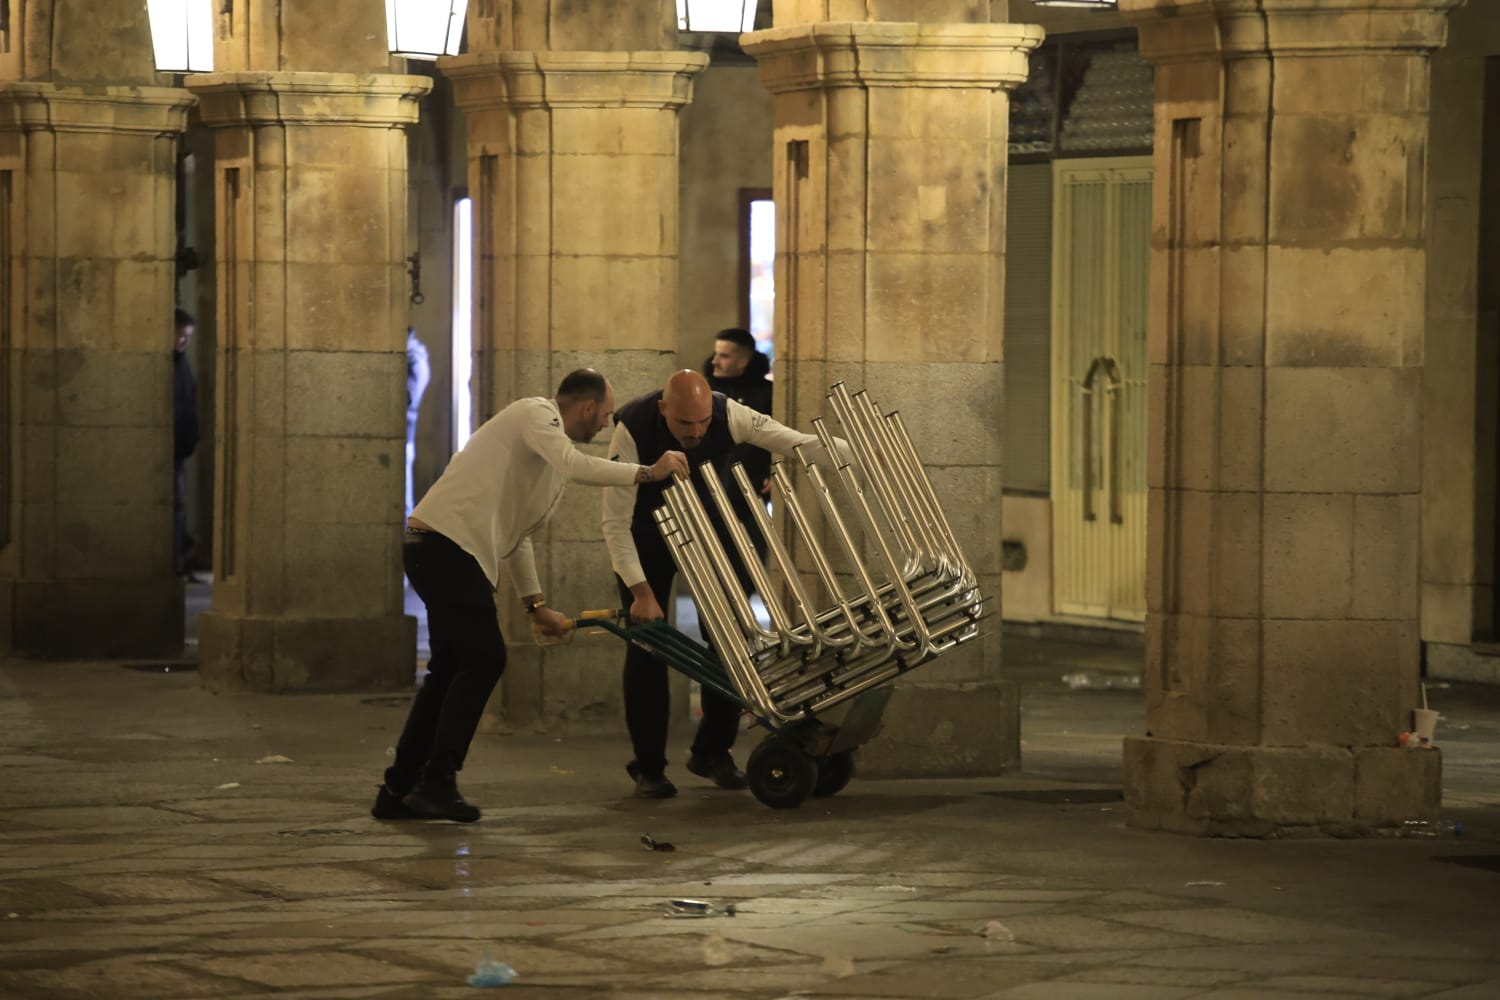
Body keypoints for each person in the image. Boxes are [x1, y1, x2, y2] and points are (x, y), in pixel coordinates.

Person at [373, 369, 690, 823]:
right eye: (603, 415)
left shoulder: (543, 463)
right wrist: (648, 472)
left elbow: (517, 537)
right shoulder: (534, 413)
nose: (605, 426)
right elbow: (577, 466)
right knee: (484, 659)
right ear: (584, 408)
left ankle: (398, 788)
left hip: (443, 552)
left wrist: (536, 606)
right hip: (445, 548)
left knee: (449, 670)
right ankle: (436, 781)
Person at [602, 369, 838, 799]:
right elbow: (614, 522)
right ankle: (649, 767)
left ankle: (712, 752)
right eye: (683, 424)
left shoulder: (731, 413)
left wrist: (860, 454)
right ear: (663, 409)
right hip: (646, 533)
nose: (694, 433)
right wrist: (640, 592)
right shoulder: (631, 426)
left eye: (702, 423)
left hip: (711, 525)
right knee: (647, 645)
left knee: (732, 636)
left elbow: (796, 441)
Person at [702, 328, 773, 516]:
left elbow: (776, 437)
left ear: (743, 361)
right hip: (706, 488)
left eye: (724, 356)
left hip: (749, 490)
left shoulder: (768, 394)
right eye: (715, 354)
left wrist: (774, 472)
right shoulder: (703, 390)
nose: (714, 361)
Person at [172, 309, 200, 579]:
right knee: (175, 507)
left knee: (179, 507)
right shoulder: (170, 364)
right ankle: (174, 564)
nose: (184, 342)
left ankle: (178, 562)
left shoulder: (182, 364)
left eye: (188, 337)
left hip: (179, 450)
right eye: (181, 335)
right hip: (169, 451)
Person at [405, 327, 431, 517]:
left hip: (405, 431)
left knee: (403, 492)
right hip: (407, 431)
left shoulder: (414, 358)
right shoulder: (415, 357)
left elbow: (409, 397)